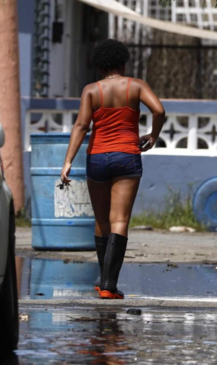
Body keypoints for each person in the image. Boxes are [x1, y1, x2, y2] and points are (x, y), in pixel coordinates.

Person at [60, 39, 165, 299]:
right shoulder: (136, 86)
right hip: (127, 156)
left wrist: (68, 161)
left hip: (96, 156)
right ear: (123, 62)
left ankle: (102, 280)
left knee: (101, 219)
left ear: (99, 67)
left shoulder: (91, 90)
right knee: (120, 220)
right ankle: (109, 285)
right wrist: (153, 135)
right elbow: (159, 110)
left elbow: (81, 126)